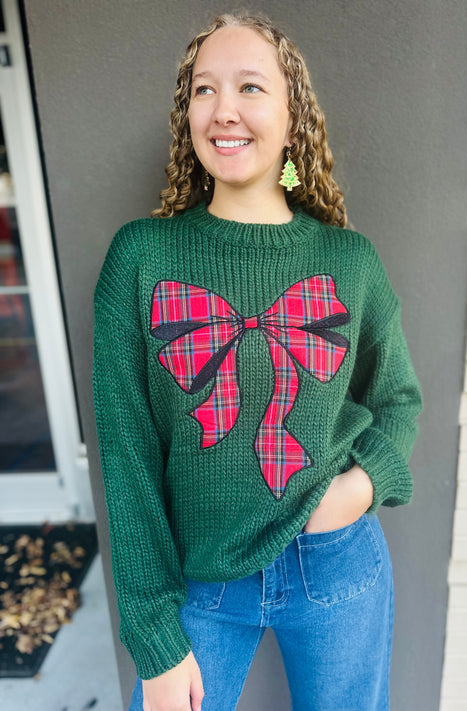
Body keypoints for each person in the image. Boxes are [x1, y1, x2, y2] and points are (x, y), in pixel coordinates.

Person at [92, 11, 423, 711]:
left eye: (250, 87)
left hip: (336, 561)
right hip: (200, 577)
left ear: (292, 118)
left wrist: (353, 494)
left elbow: (397, 400)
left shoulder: (348, 261)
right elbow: (126, 457)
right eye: (203, 91)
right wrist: (153, 636)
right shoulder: (141, 258)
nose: (224, 110)